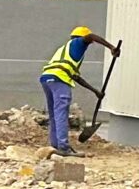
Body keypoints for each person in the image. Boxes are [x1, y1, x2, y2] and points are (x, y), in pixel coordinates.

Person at [40, 25, 114, 156]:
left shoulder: (66, 50)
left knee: (54, 114)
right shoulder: (78, 43)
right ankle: (64, 148)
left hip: (47, 79)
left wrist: (95, 91)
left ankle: (56, 145)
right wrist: (111, 47)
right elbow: (91, 36)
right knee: (61, 113)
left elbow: (76, 77)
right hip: (59, 79)